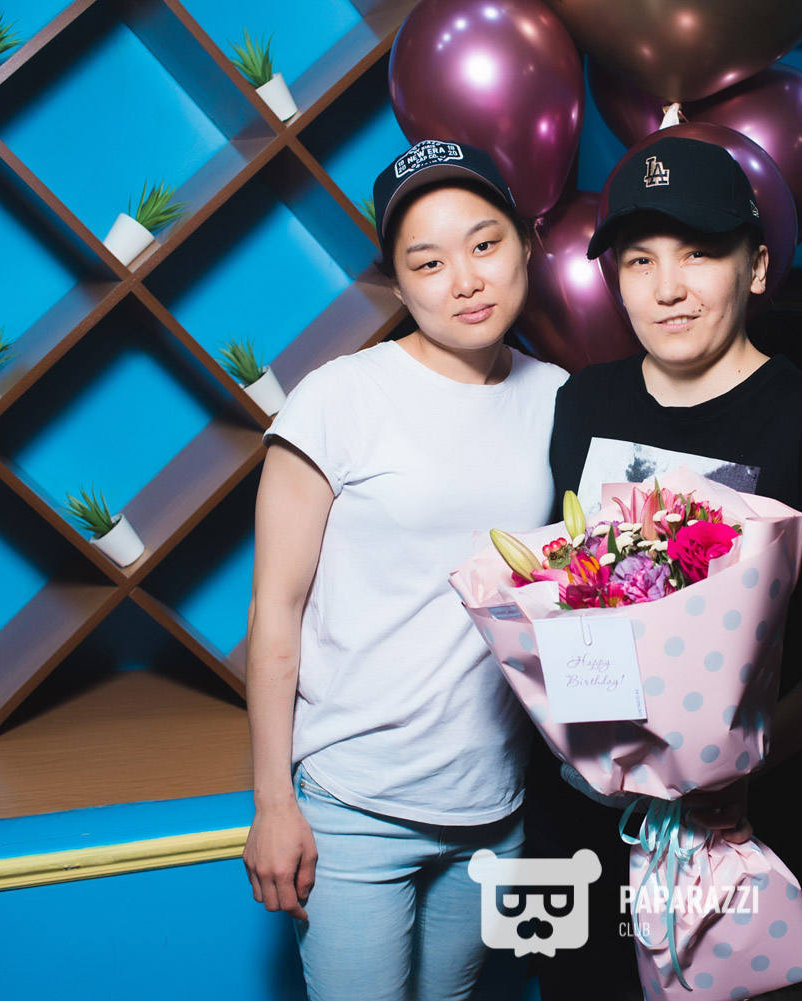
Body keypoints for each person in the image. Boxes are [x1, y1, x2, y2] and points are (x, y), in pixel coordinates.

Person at [525, 136, 802, 999]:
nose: (667, 287)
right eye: (640, 259)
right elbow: (557, 596)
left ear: (756, 267)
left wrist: (743, 767)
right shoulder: (582, 403)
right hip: (583, 823)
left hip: (743, 827)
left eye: (698, 253)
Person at [242, 139, 568, 1001]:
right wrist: (272, 802)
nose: (465, 279)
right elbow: (274, 613)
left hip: (495, 806)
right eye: (429, 262)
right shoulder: (338, 397)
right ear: (397, 283)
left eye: (485, 244)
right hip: (355, 804)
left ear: (526, 244)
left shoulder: (561, 398)